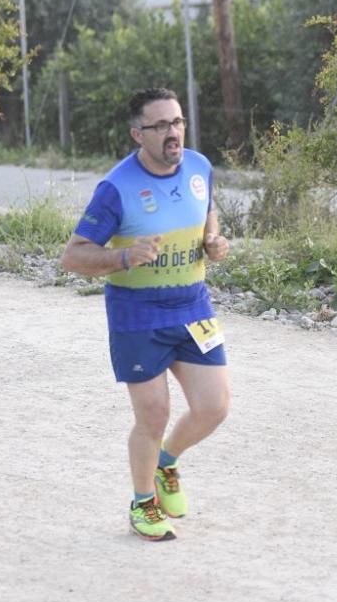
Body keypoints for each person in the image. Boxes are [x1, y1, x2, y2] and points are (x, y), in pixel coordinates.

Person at [60, 88, 231, 541]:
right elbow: (73, 257)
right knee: (153, 416)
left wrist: (213, 240)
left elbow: (207, 210)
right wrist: (123, 258)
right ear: (138, 134)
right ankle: (142, 504)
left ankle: (167, 463)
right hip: (137, 316)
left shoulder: (199, 167)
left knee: (214, 408)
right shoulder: (115, 188)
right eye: (160, 126)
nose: (173, 133)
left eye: (177, 122)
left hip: (193, 306)